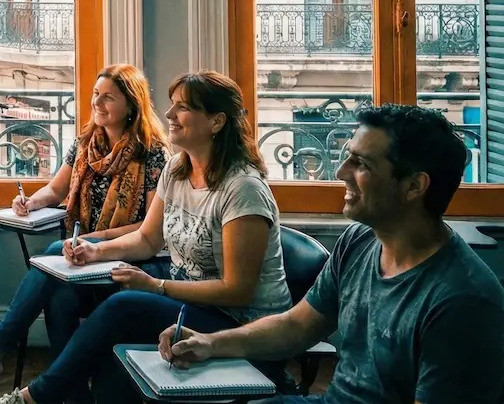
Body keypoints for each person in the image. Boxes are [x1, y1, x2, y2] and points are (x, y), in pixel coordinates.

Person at [0, 70, 292, 404]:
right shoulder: (178, 169)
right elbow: (147, 239)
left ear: (216, 121)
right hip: (194, 302)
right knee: (88, 325)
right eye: (172, 105)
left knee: (123, 307)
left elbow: (237, 290)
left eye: (183, 107)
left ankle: (32, 398)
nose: (169, 114)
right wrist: (96, 252)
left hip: (243, 325)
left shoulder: (243, 189)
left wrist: (155, 286)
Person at [158, 104, 504, 404]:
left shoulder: (463, 302)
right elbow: (297, 325)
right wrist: (210, 343)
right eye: (347, 157)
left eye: (362, 164)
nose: (341, 172)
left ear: (414, 186)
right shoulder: (359, 241)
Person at [0, 65, 170, 391]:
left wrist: (92, 241)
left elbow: (149, 227)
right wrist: (30, 202)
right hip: (83, 259)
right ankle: (72, 394)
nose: (97, 103)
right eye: (96, 94)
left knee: (52, 254)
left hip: (132, 260)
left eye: (108, 97)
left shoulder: (154, 154)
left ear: (132, 105)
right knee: (60, 297)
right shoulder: (86, 143)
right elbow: (55, 190)